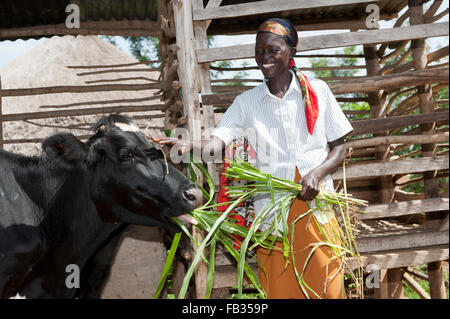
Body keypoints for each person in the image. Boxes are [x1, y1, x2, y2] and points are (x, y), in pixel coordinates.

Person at [154, 18, 353, 299]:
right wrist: (186, 143)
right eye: (259, 51)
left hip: (315, 210)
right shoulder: (246, 102)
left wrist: (317, 174)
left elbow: (340, 149)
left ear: (291, 52)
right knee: (281, 290)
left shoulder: (318, 92)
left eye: (273, 50)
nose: (265, 57)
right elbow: (215, 144)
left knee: (327, 289)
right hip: (273, 217)